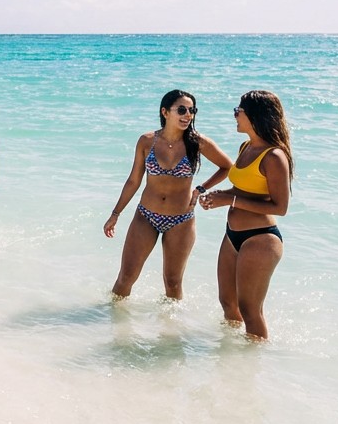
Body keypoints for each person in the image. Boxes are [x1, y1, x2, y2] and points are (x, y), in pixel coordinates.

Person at [104, 90, 232, 300]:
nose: (188, 115)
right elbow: (133, 181)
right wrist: (116, 214)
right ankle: (112, 326)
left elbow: (227, 167)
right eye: (181, 109)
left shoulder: (197, 142)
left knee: (173, 284)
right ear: (165, 112)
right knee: (125, 278)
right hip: (146, 216)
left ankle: (170, 331)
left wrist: (201, 188)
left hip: (181, 220)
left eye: (192, 110)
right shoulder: (147, 141)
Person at [199, 91, 294, 340]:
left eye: (238, 111)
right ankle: (233, 359)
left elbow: (280, 207)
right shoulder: (246, 146)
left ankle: (254, 364)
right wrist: (218, 196)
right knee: (227, 302)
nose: (234, 115)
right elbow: (243, 190)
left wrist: (229, 200)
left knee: (250, 311)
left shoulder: (274, 156)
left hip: (261, 239)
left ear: (254, 115)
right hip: (233, 235)